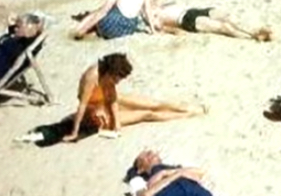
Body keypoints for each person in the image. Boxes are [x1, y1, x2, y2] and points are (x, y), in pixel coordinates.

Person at [63, 53, 201, 141]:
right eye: (117, 79)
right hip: (95, 114)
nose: (117, 82)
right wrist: (75, 132)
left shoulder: (107, 76)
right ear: (110, 73)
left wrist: (116, 122)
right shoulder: (92, 77)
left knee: (153, 104)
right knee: (147, 114)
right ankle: (187, 115)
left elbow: (112, 99)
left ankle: (185, 108)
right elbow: (82, 104)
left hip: (104, 101)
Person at [153, 1, 271, 42]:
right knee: (222, 27)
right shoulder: (153, 18)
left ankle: (254, 31)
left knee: (228, 17)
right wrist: (173, 30)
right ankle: (252, 37)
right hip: (187, 20)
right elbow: (163, 29)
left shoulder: (162, 5)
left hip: (193, 11)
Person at [125, 150, 213, 196]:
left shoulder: (173, 169)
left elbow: (201, 172)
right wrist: (176, 175)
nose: (150, 153)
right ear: (140, 170)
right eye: (144, 156)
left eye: (150, 152)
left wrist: (166, 173)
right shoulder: (139, 181)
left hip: (196, 192)